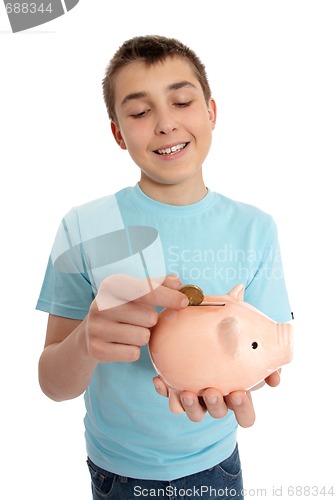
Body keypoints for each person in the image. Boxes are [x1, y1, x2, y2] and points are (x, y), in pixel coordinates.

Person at [36, 35, 292, 500]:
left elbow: (264, 350)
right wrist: (87, 338)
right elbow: (53, 383)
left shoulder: (255, 228)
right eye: (139, 112)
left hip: (213, 467)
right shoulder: (85, 227)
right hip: (114, 470)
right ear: (117, 132)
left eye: (182, 101)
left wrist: (247, 377)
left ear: (211, 112)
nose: (166, 123)